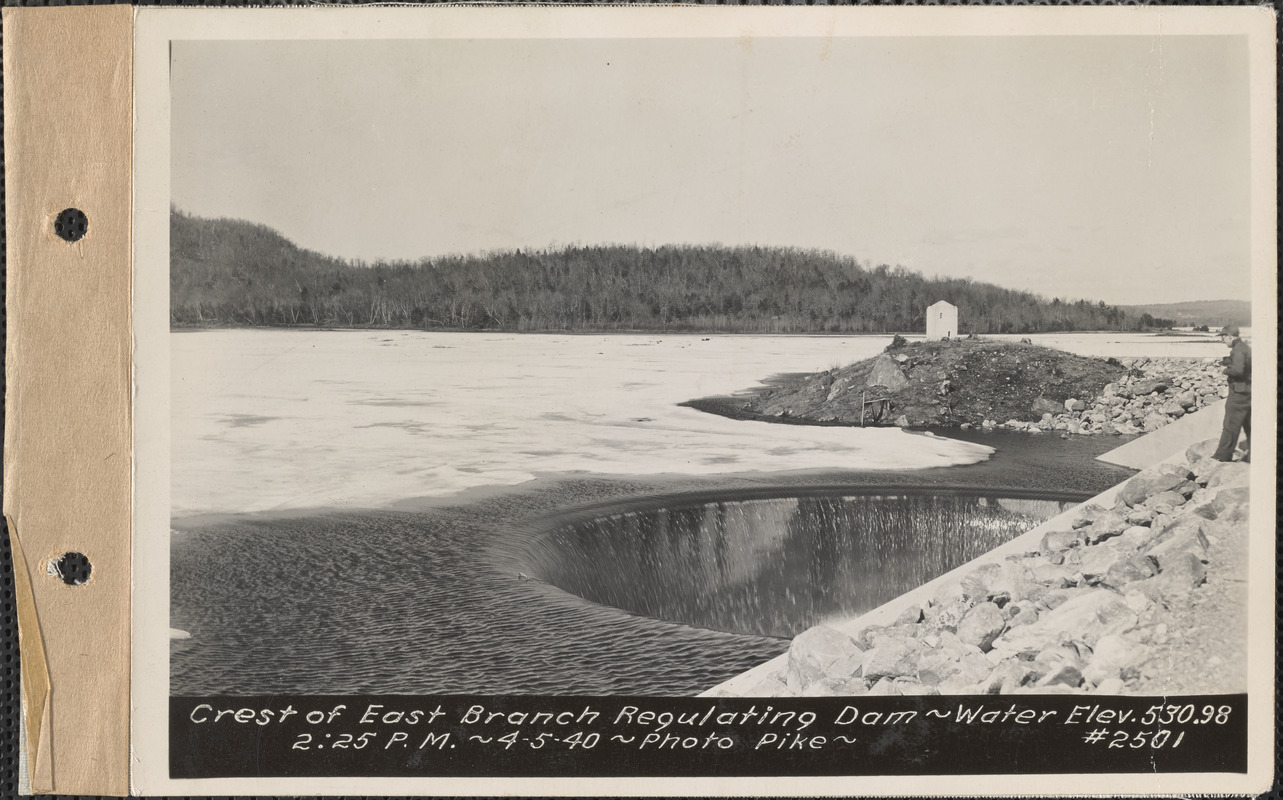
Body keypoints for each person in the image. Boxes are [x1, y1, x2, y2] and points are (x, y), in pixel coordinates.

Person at [1212, 324, 1251, 462]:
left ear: (1229, 336)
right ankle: (1253, 455)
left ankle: (1222, 457)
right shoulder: (1244, 347)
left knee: (1230, 425)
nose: (1222, 340)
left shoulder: (1237, 350)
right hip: (1248, 393)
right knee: (1249, 425)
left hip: (1239, 394)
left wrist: (1225, 370)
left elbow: (1238, 371)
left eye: (1223, 337)